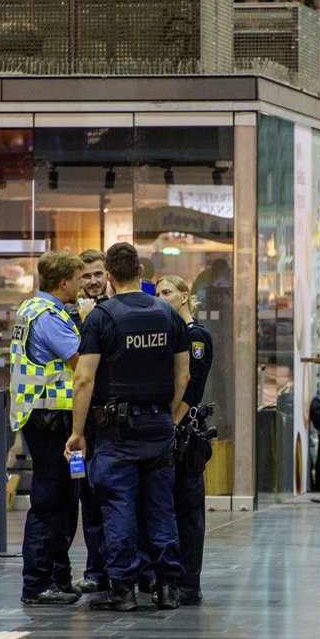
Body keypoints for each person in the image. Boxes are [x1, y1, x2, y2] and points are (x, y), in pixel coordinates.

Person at [65, 243, 190, 611]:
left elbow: (83, 380)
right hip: (158, 426)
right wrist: (165, 411)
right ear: (139, 270)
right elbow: (183, 373)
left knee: (118, 507)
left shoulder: (101, 318)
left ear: (109, 275)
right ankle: (168, 587)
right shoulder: (167, 314)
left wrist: (78, 432)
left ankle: (122, 590)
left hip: (116, 430)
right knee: (161, 507)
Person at [11, 250, 85, 605]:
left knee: (62, 501)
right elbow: (80, 361)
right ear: (63, 282)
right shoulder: (50, 317)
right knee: (50, 502)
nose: (81, 285)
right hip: (50, 417)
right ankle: (38, 583)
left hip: (42, 415)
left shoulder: (31, 308)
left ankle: (56, 577)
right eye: (78, 279)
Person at [156, 275, 214, 604]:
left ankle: (190, 582)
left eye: (168, 292)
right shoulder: (167, 335)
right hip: (165, 428)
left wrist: (172, 422)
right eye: (158, 292)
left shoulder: (196, 337)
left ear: (184, 296)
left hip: (185, 432)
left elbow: (193, 385)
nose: (162, 297)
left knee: (189, 511)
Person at [65, 247, 108, 594]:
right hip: (82, 418)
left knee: (121, 495)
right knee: (89, 497)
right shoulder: (68, 315)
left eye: (97, 274)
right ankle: (95, 570)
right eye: (86, 276)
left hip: (113, 415)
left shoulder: (117, 309)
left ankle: (127, 567)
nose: (92, 281)